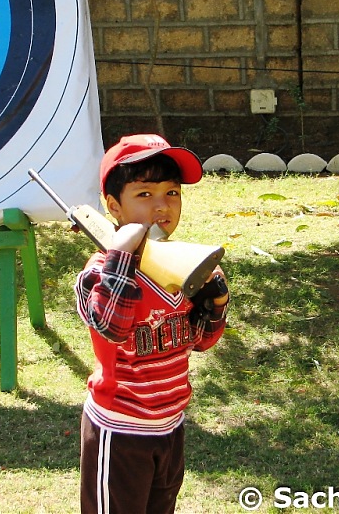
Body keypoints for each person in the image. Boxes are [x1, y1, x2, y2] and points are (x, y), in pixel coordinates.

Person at [74, 134, 230, 514]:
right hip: (120, 429)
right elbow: (113, 325)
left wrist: (217, 300)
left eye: (172, 193)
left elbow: (201, 340)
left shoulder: (186, 266)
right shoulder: (98, 273)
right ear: (114, 206)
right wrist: (122, 255)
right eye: (144, 195)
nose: (162, 206)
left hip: (170, 424)